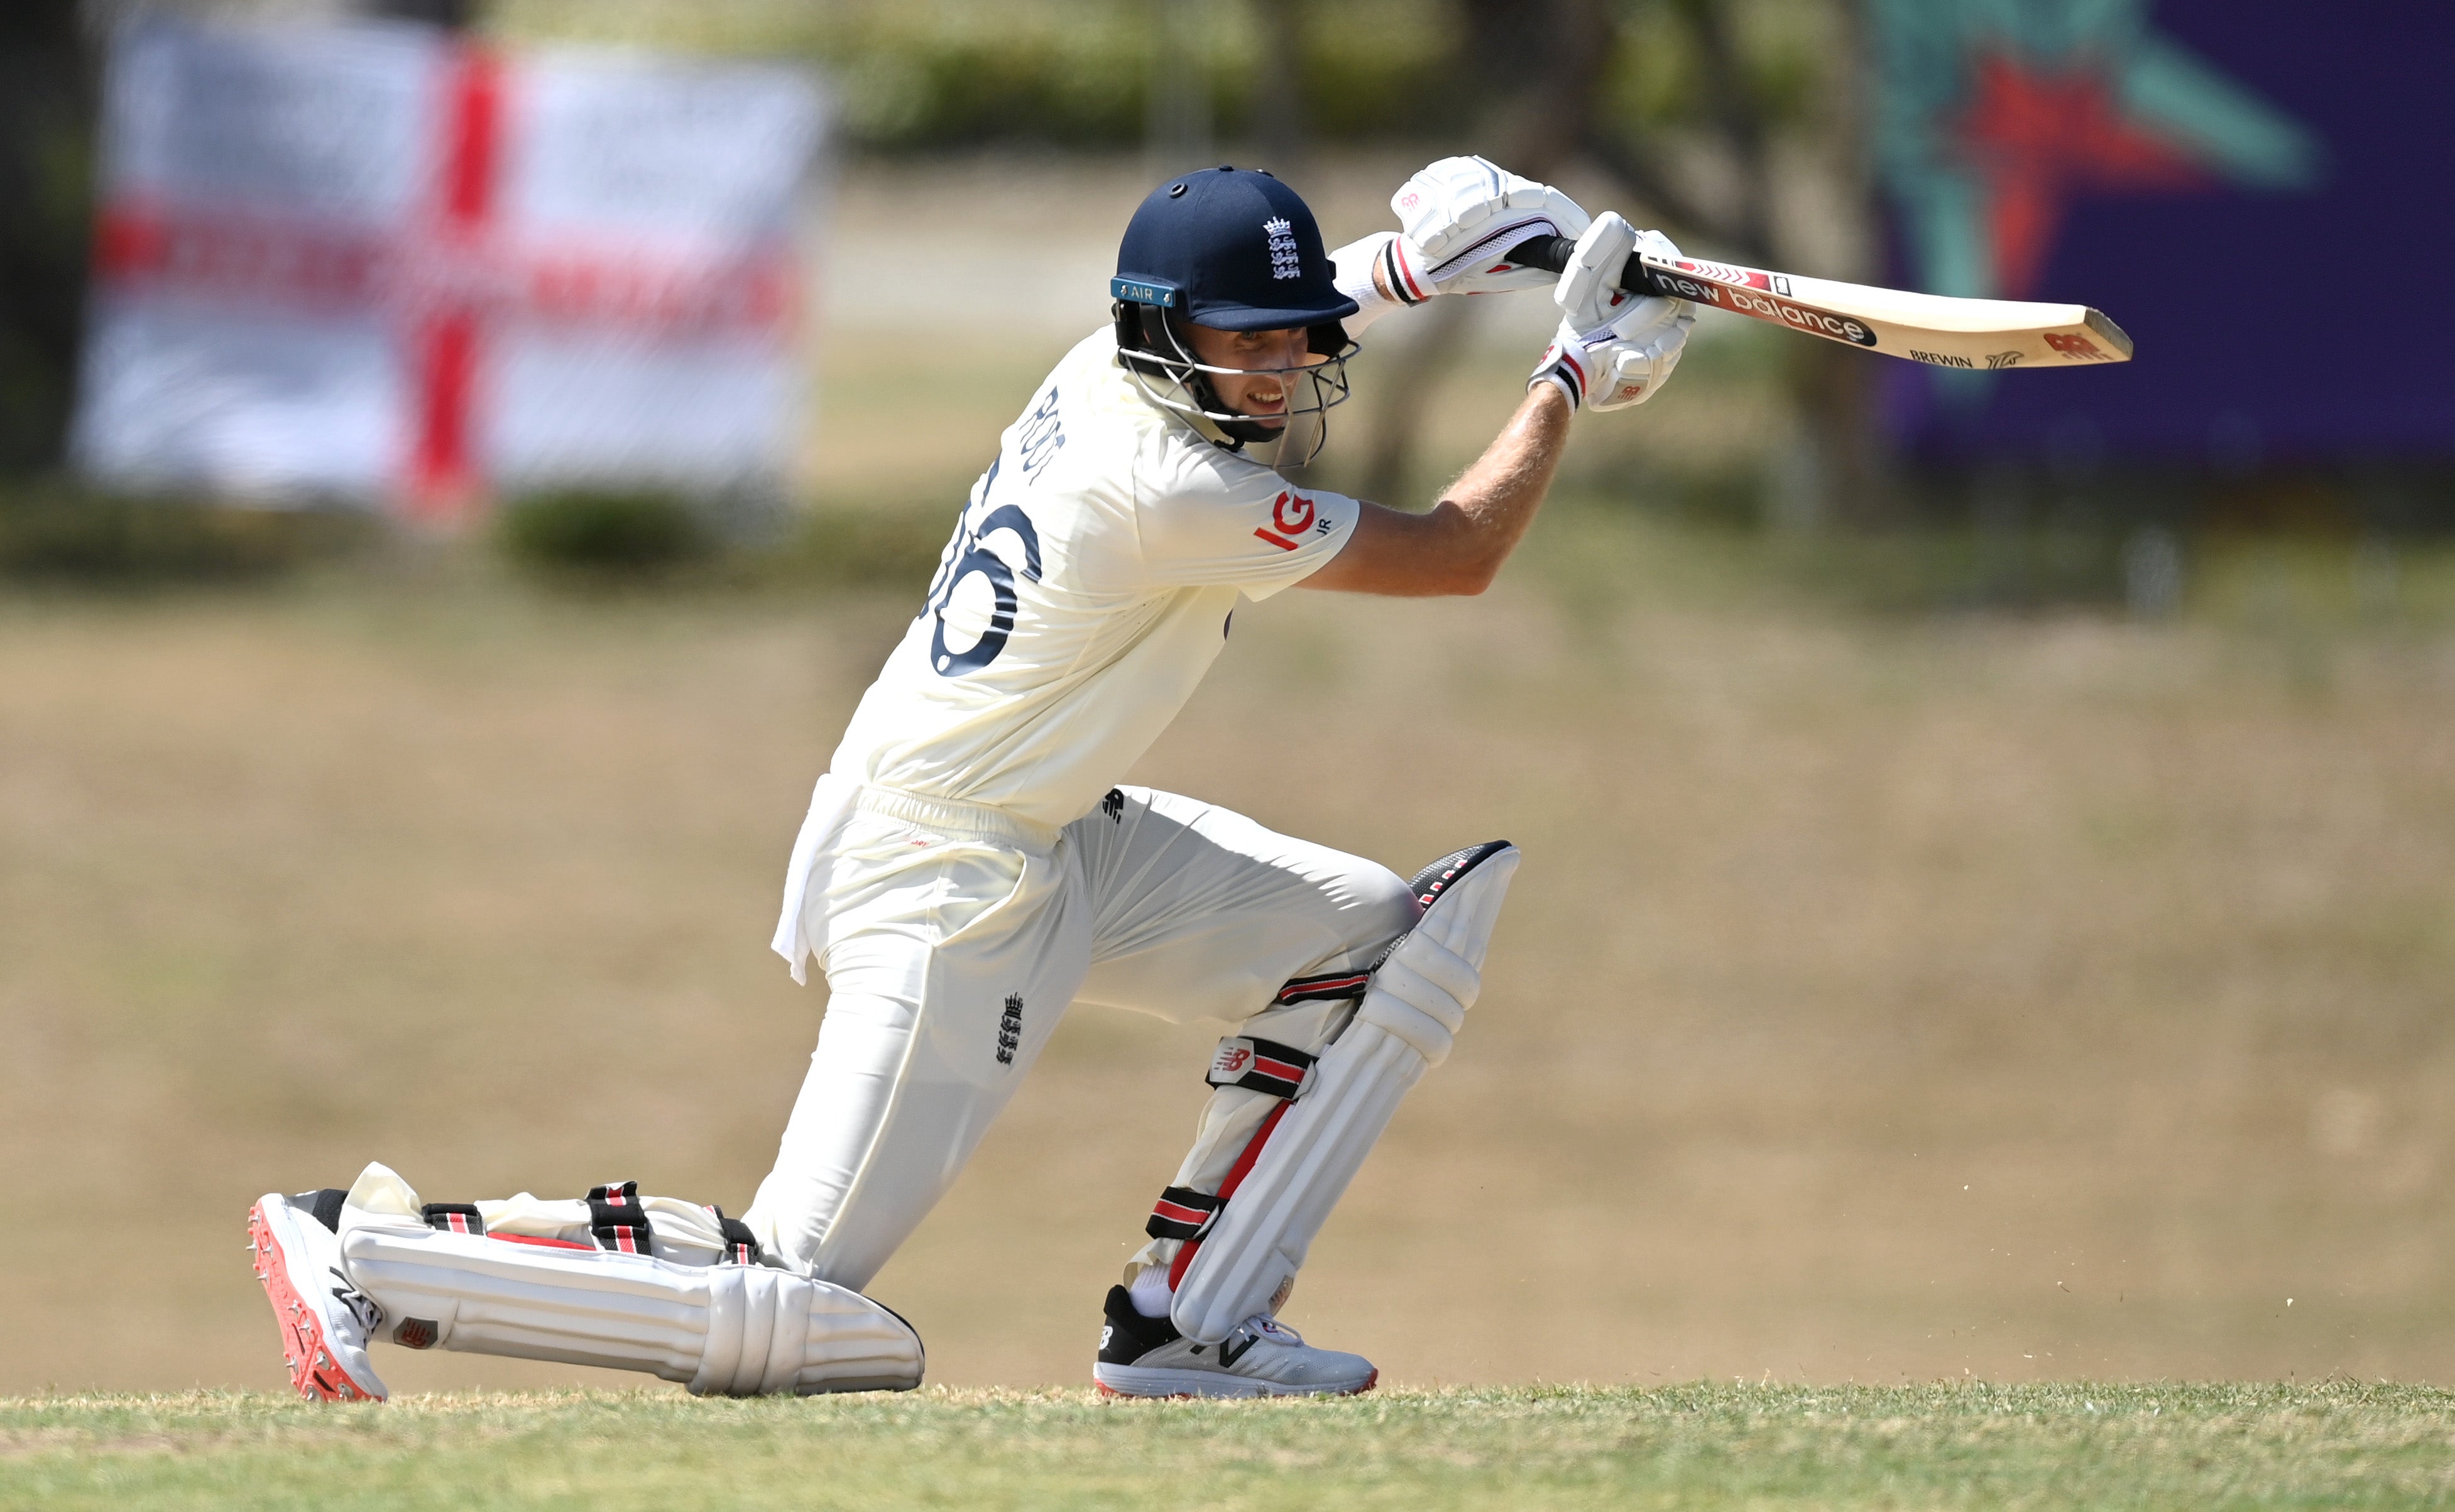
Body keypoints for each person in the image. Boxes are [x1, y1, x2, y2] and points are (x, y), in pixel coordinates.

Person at [246, 157, 1695, 1402]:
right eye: (1241, 343)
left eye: (1294, 334)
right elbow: (1458, 553)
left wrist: (1420, 267)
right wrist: (1570, 370)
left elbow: (1279, 309)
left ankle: (1187, 1325)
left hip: (1046, 833)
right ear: (1162, 335)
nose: (1272, 370)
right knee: (802, 1302)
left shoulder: (1103, 357)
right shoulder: (1171, 488)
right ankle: (365, 1250)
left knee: (1370, 941)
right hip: (944, 870)